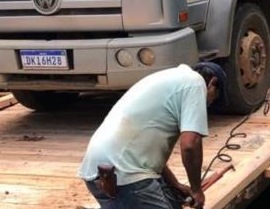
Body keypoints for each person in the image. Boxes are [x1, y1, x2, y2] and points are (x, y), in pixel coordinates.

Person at [78, 61, 226, 209]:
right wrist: (196, 190)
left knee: (174, 204)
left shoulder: (170, 79)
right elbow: (189, 145)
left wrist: (174, 184)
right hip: (126, 175)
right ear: (212, 83)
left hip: (99, 171)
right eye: (212, 99)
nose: (208, 104)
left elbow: (148, 151)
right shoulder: (196, 83)